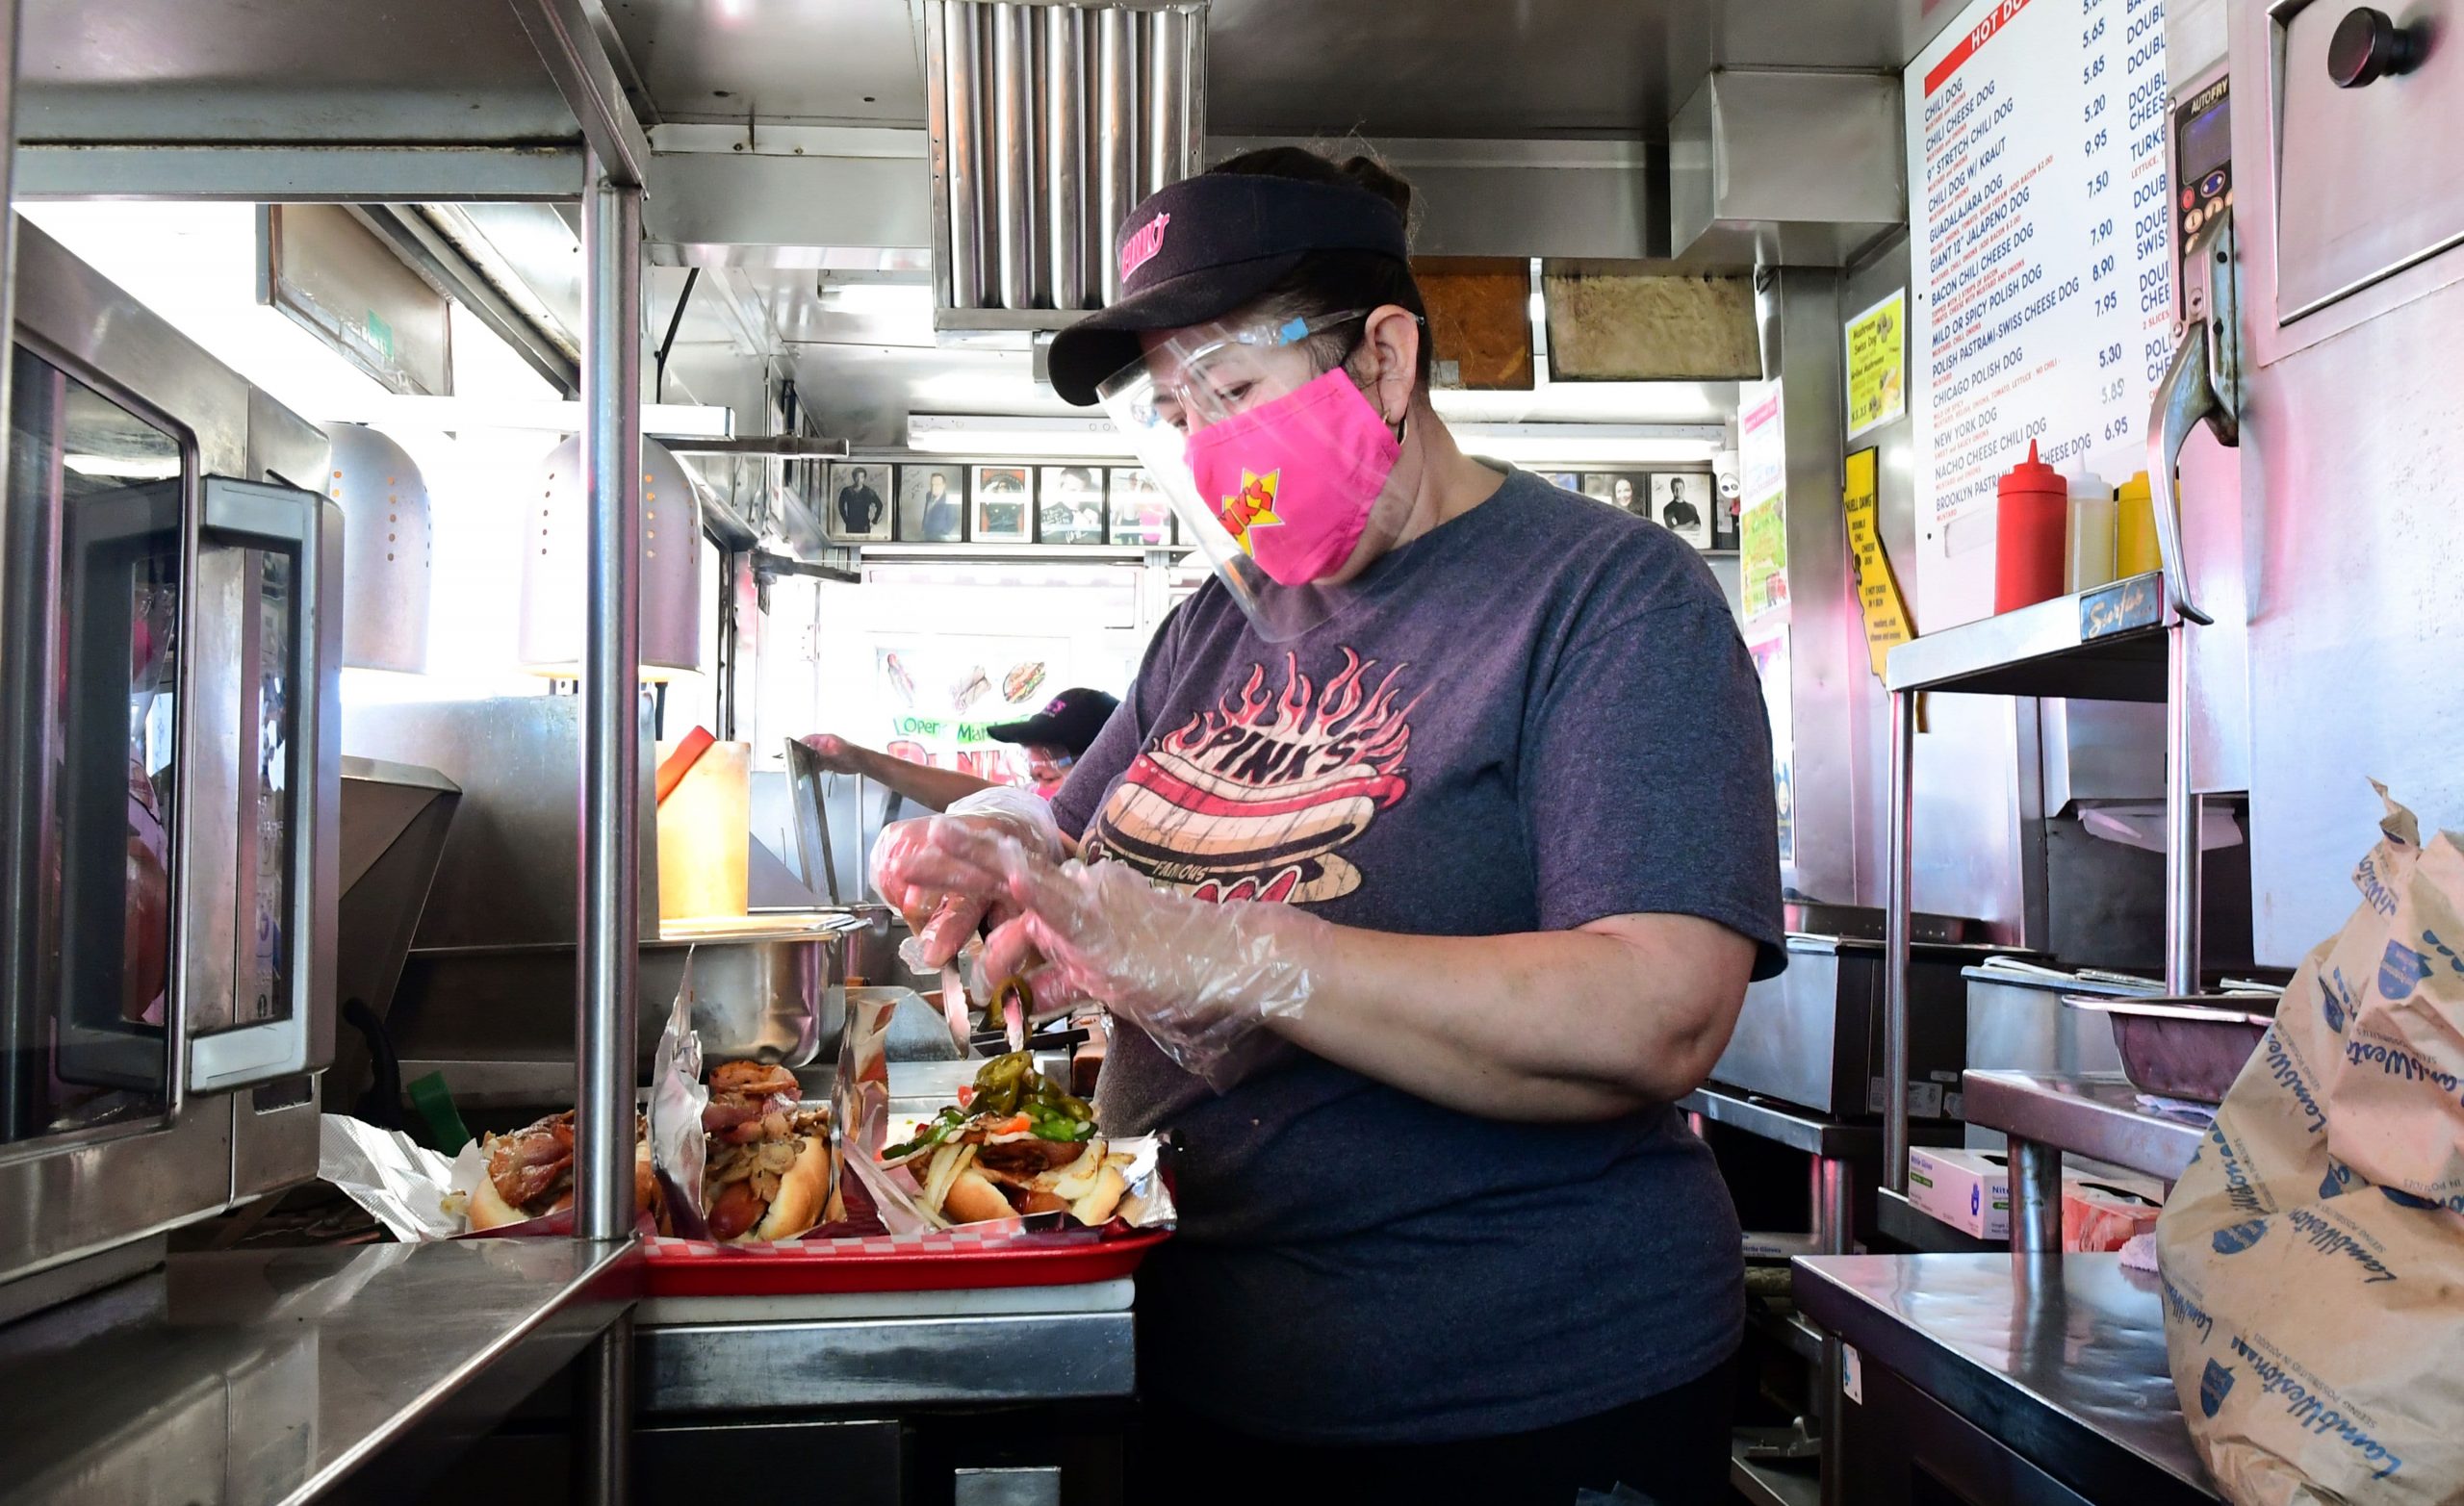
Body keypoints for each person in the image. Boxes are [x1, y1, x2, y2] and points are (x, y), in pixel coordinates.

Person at [873, 148, 1783, 1505]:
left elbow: (1659, 1010)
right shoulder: (1212, 628)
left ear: (1386, 359)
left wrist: (1250, 954)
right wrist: (998, 848)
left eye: (1234, 391)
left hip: (1519, 1407)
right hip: (1206, 1378)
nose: (1208, 447)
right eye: (1177, 410)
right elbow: (1068, 847)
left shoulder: (1606, 598)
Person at [801, 686, 1120, 809]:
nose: (1038, 787)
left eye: (1048, 776)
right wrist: (858, 759)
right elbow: (979, 797)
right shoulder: (1040, 806)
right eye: (1034, 774)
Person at [834, 466, 884, 537]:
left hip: (864, 526)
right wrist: (845, 519)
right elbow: (840, 506)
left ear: (864, 478)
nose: (858, 480)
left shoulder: (869, 492)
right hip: (851, 525)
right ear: (853, 477)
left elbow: (880, 505)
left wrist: (874, 520)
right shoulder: (847, 491)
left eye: (861, 477)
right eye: (856, 477)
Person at [920, 470, 960, 541]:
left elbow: (952, 520)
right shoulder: (928, 495)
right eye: (932, 484)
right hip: (926, 535)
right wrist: (923, 528)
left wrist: (942, 535)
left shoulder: (949, 499)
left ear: (944, 485)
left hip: (939, 538)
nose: (933, 487)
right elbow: (927, 512)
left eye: (937, 484)